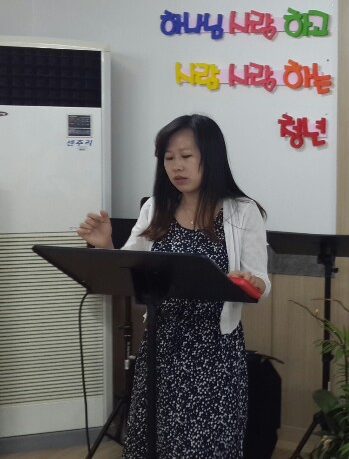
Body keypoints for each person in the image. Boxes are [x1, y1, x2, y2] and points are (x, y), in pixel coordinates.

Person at [76, 114, 270, 458]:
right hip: (161, 345)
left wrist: (253, 282)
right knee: (154, 442)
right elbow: (129, 270)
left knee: (205, 445)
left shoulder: (243, 211)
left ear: (211, 157)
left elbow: (262, 282)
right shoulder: (155, 208)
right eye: (168, 158)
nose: (176, 166)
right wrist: (105, 245)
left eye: (186, 156)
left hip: (214, 351)